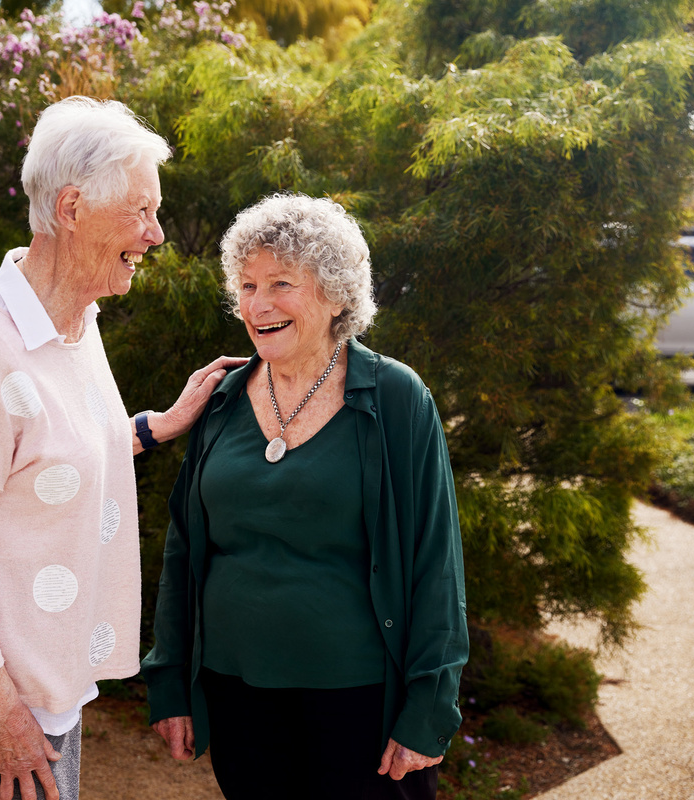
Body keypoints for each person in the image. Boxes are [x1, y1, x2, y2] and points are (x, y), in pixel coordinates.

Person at [0, 96, 244, 800]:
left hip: (49, 671)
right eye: (142, 211)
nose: (156, 234)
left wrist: (155, 426)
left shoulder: (74, 322)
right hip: (0, 689)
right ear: (73, 209)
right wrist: (1, 714)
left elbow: (51, 459)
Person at [141, 193, 469, 799]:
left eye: (281, 284)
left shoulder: (395, 398)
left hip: (359, 701)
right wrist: (169, 679)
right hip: (237, 696)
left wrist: (428, 709)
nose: (257, 305)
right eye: (247, 286)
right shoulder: (221, 399)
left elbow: (436, 563)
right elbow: (183, 552)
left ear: (336, 295)